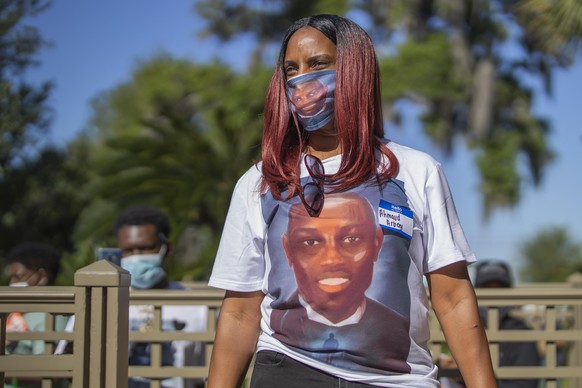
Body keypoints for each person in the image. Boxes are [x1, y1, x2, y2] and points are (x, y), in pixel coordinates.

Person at [207, 13, 496, 388]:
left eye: (319, 64)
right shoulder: (261, 183)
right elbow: (241, 312)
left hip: (398, 380)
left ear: (355, 70)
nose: (301, 81)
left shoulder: (415, 171)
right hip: (287, 371)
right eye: (291, 69)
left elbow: (454, 296)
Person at [114, 205, 207, 388]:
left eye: (146, 248)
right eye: (128, 250)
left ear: (167, 248)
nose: (136, 257)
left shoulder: (198, 307)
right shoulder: (104, 302)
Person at [4, 242, 69, 388]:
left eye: (18, 276)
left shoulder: (50, 315)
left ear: (41, 276)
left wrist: (5, 370)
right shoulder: (20, 313)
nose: (11, 283)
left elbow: (52, 371)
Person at [474, 260, 541, 388]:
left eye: (499, 288)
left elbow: (526, 383)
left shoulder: (522, 333)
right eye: (486, 288)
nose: (493, 295)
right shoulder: (466, 329)